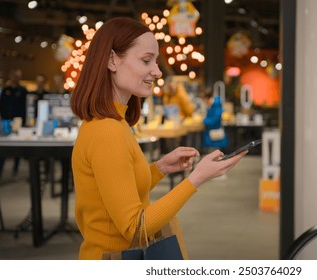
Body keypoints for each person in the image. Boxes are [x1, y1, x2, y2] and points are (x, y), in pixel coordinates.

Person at [70, 17, 247, 260]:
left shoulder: (114, 123)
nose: (157, 71)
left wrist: (161, 168)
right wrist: (196, 179)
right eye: (146, 60)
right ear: (112, 60)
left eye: (155, 61)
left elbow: (119, 189)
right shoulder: (108, 131)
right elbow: (135, 228)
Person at [0, 69, 28, 176]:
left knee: (17, 146)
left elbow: (25, 107)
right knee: (4, 145)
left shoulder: (23, 90)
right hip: (6, 120)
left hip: (18, 121)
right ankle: (0, 169)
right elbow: (1, 105)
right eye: (13, 76)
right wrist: (3, 118)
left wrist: (23, 121)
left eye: (16, 76)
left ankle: (15, 168)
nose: (15, 78)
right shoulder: (6, 90)